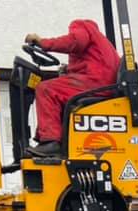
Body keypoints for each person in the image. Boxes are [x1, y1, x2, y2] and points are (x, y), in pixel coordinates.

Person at [24, 20, 121, 157]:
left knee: (46, 89)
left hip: (95, 82)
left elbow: (75, 41)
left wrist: (42, 42)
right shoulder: (100, 44)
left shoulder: (82, 26)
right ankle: (48, 141)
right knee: (58, 89)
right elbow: (86, 60)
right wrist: (67, 70)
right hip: (100, 82)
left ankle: (51, 143)